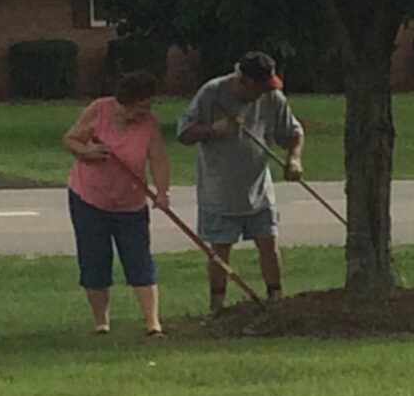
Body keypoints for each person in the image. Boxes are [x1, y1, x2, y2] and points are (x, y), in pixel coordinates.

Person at [177, 51, 305, 312]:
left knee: (268, 242)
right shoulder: (212, 93)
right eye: (259, 87)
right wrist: (217, 128)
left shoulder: (272, 97)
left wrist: (294, 159)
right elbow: (184, 133)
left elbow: (294, 132)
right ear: (243, 80)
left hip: (258, 188)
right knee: (220, 250)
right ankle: (217, 305)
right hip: (219, 191)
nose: (263, 93)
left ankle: (276, 298)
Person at [63, 70, 170, 338]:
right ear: (126, 102)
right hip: (88, 198)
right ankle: (101, 323)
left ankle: (152, 323)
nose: (147, 111)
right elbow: (70, 139)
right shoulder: (99, 110)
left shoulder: (149, 125)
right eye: (143, 105)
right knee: (94, 261)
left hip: (130, 204)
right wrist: (87, 152)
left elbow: (158, 159)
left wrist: (162, 192)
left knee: (139, 260)